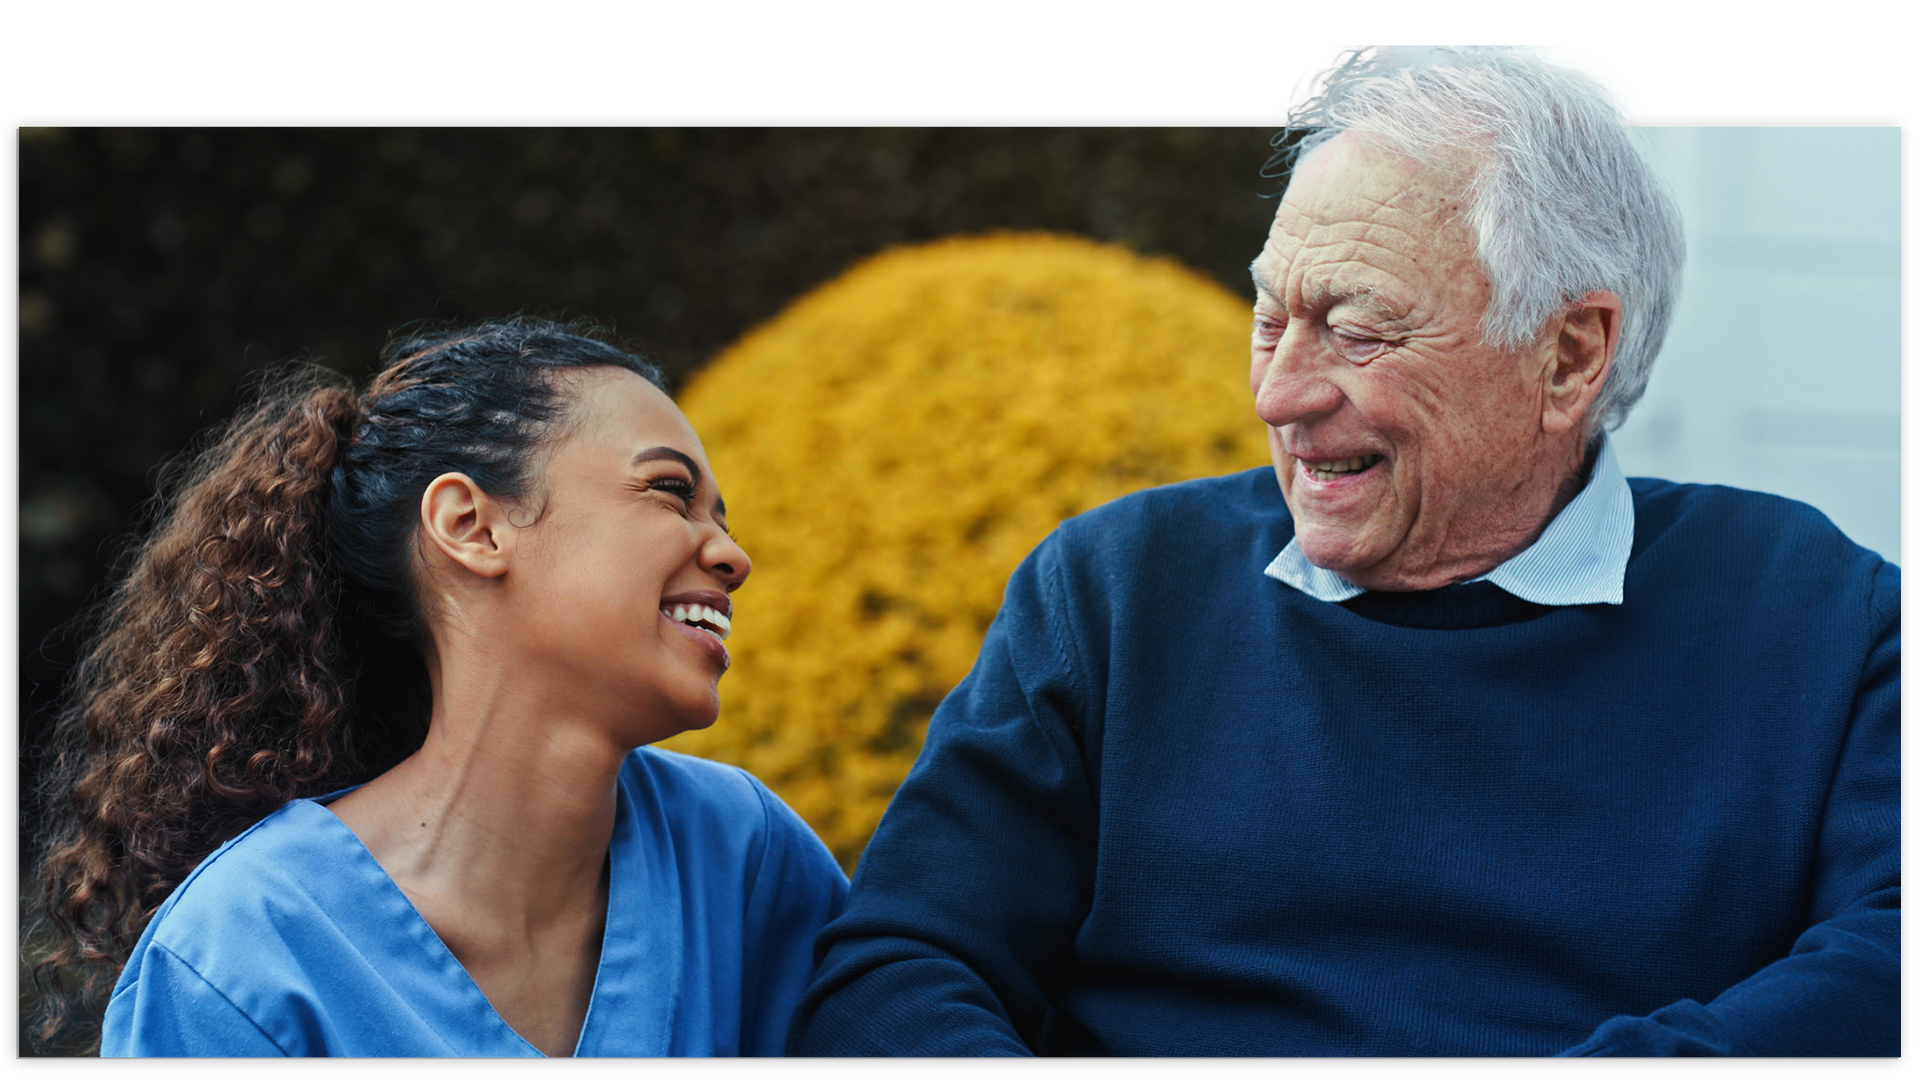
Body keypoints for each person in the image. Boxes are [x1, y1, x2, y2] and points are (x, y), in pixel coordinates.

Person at [787, 47, 1900, 1056]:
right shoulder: (1118, 593)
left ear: (1569, 356)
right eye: (1270, 318)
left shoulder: (1819, 615)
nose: (1280, 392)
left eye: (1359, 328)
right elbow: (901, 970)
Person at [28, 319, 849, 1056]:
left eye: (725, 520)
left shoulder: (742, 857)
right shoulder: (245, 957)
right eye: (672, 492)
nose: (732, 556)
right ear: (470, 526)